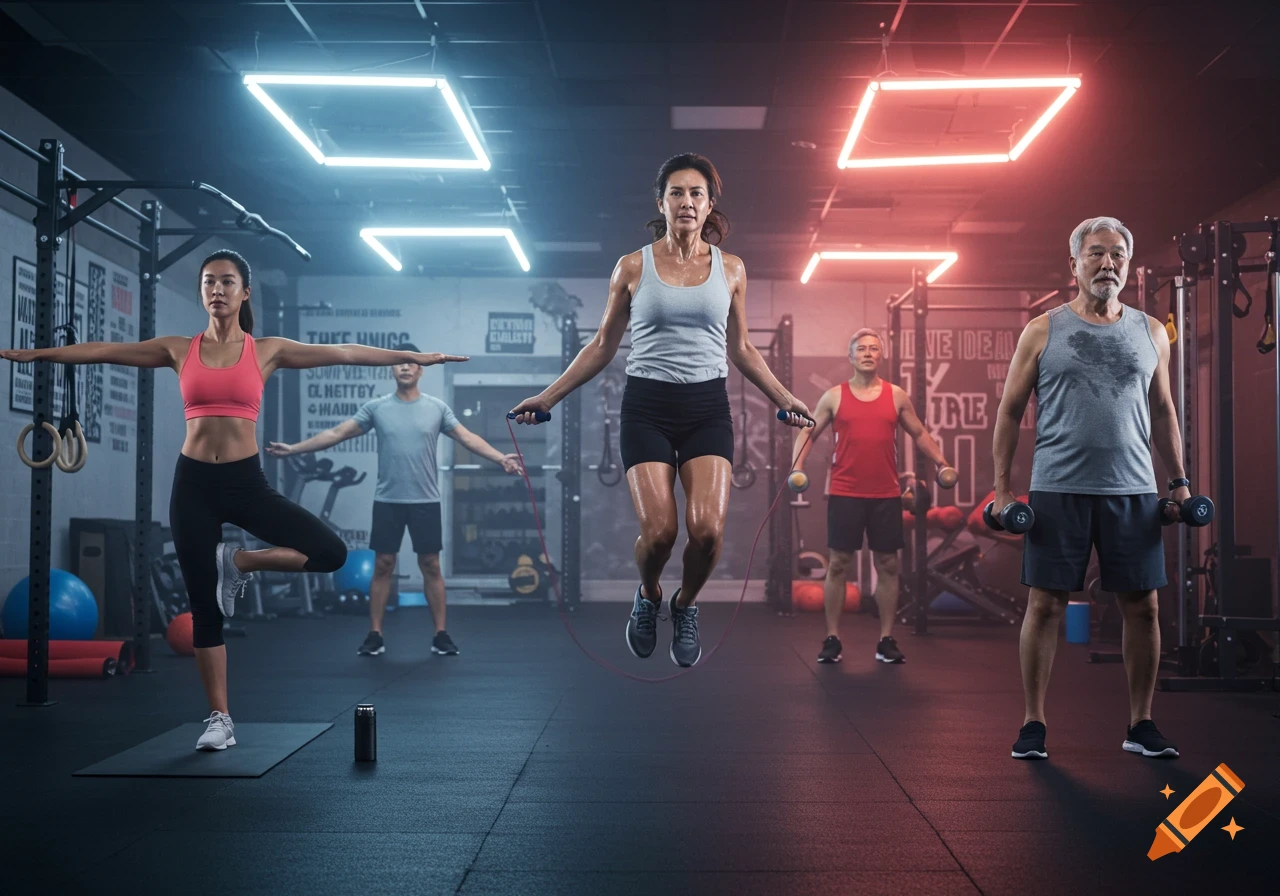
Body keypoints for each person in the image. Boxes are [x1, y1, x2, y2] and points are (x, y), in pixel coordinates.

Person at [1, 250, 466, 751]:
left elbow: (345, 351)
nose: (216, 289)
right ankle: (219, 718)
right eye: (208, 282)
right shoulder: (179, 349)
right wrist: (43, 355)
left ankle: (239, 561)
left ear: (245, 292)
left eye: (227, 282)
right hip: (193, 485)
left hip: (246, 484)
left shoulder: (266, 350)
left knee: (330, 552)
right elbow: (107, 351)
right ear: (202, 292)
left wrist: (412, 357)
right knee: (206, 608)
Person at [510, 152, 811, 667]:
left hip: (706, 407)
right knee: (661, 533)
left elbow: (741, 349)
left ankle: (685, 604)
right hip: (647, 405)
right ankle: (648, 595)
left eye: (697, 193)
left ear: (710, 204)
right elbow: (603, 345)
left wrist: (785, 398)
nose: (687, 202)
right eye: (677, 192)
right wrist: (548, 396)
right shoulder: (632, 265)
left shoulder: (732, 268)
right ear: (661, 202)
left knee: (708, 531)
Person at [993, 216, 1187, 761]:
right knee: (1047, 605)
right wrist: (1002, 491)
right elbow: (1009, 412)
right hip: (1058, 487)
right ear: (1074, 264)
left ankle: (1141, 725)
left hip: (1133, 490)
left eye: (1118, 255)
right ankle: (1033, 723)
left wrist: (1178, 483)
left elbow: (1164, 409)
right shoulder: (1043, 329)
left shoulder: (1150, 331)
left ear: (1128, 264)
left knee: (1143, 608)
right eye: (1097, 254)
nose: (1108, 264)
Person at [267, 344, 521, 658]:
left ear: (420, 369)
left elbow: (467, 437)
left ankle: (441, 634)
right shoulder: (377, 408)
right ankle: (375, 634)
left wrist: (501, 459)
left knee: (431, 566)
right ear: (391, 369)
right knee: (383, 566)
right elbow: (337, 433)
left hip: (425, 500)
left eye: (411, 362)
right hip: (387, 500)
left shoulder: (437, 408)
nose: (404, 367)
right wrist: (293, 449)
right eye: (399, 362)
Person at [792, 329, 956, 665]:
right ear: (851, 357)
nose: (868, 353)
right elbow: (809, 432)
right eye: (861, 349)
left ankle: (885, 640)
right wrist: (798, 465)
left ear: (880, 356)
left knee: (888, 565)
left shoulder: (895, 396)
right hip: (845, 492)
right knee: (838, 564)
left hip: (886, 494)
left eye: (874, 348)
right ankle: (832, 638)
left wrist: (942, 463)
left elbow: (919, 433)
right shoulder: (833, 397)